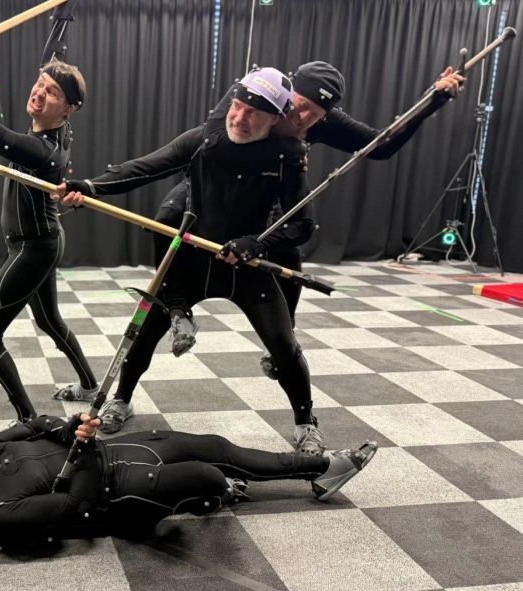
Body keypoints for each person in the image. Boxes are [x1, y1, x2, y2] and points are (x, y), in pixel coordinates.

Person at [56, 68, 329, 455]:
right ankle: (122, 399)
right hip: (190, 262)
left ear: (274, 119)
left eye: (254, 113)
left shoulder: (287, 155)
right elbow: (145, 166)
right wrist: (90, 186)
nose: (240, 117)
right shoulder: (205, 140)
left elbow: (302, 225)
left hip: (245, 266)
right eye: (237, 106)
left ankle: (306, 423)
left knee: (284, 345)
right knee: (142, 333)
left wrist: (256, 243)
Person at [158, 61, 463, 371]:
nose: (303, 118)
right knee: (168, 215)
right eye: (300, 106)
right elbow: (212, 138)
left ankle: (284, 339)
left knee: (289, 249)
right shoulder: (257, 93)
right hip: (214, 183)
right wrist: (289, 147)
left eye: (314, 115)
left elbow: (380, 145)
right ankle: (177, 309)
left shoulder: (326, 120)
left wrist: (432, 98)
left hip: (267, 192)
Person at [0, 412, 377, 553]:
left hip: (124, 446)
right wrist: (85, 449)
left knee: (218, 446)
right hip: (121, 489)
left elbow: (33, 425)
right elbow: (76, 506)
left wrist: (70, 429)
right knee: (209, 476)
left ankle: (323, 468)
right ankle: (213, 496)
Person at [0, 0, 99, 426]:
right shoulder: (53, 126)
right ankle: (90, 386)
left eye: (52, 92)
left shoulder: (42, 150)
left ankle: (28, 420)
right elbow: (52, 59)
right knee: (50, 321)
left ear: (68, 110)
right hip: (40, 241)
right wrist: (64, 11)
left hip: (34, 247)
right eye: (40, 84)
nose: (40, 92)